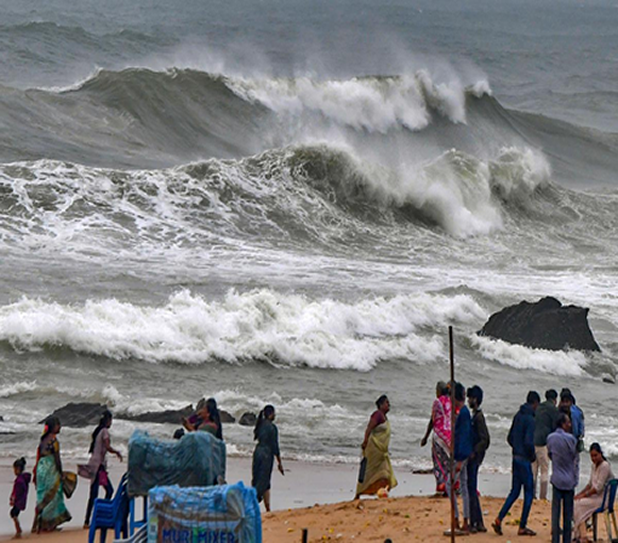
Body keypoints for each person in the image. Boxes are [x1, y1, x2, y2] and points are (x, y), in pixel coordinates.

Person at [492, 391, 540, 537]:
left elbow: (510, 437)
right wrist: (532, 456)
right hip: (525, 460)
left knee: (514, 491)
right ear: (535, 404)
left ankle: (499, 518)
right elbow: (528, 441)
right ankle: (522, 526)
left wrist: (515, 449)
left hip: (515, 458)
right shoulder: (530, 420)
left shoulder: (518, 416)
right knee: (529, 493)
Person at [79, 410, 123, 528]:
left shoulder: (98, 431)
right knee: (107, 490)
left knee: (95, 493)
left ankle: (89, 520)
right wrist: (117, 452)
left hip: (96, 465)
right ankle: (96, 518)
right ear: (108, 420)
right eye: (111, 420)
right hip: (98, 467)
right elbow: (107, 446)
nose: (111, 422)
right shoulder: (104, 432)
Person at [32, 416, 71, 533]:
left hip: (41, 468)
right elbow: (57, 459)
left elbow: (39, 456)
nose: (60, 427)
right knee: (54, 495)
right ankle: (49, 524)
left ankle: (39, 523)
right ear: (53, 427)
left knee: (42, 495)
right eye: (58, 425)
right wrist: (61, 473)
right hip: (50, 468)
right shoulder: (54, 441)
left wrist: (35, 472)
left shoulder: (43, 439)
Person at [355, 395, 398, 499]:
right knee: (368, 472)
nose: (389, 405)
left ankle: (382, 492)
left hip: (382, 452)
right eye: (387, 403)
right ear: (381, 405)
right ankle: (358, 494)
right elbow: (369, 429)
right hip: (374, 449)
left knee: (385, 472)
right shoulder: (377, 415)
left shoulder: (384, 417)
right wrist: (365, 441)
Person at [445, 383, 472, 534]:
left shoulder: (463, 414)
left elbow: (464, 438)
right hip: (463, 455)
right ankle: (464, 521)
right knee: (463, 486)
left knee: (450, 486)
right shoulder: (463, 413)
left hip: (461, 456)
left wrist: (460, 460)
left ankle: (456, 519)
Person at [573, 443, 614, 543]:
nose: (594, 458)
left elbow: (598, 488)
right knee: (576, 502)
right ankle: (582, 535)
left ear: (600, 454)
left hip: (603, 499)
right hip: (595, 497)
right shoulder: (593, 466)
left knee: (578, 505)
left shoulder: (605, 466)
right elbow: (590, 484)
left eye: (596, 455)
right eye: (592, 456)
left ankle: (582, 536)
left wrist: (584, 495)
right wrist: (579, 494)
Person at [547, 413, 578, 543]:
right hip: (569, 480)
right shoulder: (571, 439)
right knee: (567, 515)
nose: (570, 425)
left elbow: (550, 455)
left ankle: (555, 539)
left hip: (557, 478)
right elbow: (575, 459)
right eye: (568, 422)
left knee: (556, 513)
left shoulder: (550, 438)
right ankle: (566, 540)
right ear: (563, 424)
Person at [420, 382, 452, 495]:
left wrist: (425, 437)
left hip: (438, 436)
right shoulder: (451, 401)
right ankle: (449, 485)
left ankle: (441, 485)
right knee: (448, 462)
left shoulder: (437, 402)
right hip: (449, 437)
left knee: (438, 462)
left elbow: (432, 421)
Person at [252, 405, 284, 512]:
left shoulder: (260, 424)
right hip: (266, 454)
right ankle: (252, 503)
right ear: (271, 414)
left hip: (257, 452)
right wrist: (280, 463)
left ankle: (267, 508)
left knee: (259, 479)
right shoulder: (272, 428)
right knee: (264, 481)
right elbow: (275, 446)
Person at [467, 385, 490, 533]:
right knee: (471, 489)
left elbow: (486, 439)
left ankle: (476, 522)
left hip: (474, 458)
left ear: (475, 399)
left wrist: (475, 452)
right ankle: (478, 521)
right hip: (475, 457)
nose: (468, 400)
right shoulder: (476, 415)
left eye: (470, 398)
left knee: (471, 489)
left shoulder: (478, 418)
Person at [534, 389, 560, 500]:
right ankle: (543, 496)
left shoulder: (538, 407)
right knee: (544, 470)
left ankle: (532, 494)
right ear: (555, 399)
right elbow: (555, 427)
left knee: (533, 470)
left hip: (532, 441)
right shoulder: (554, 410)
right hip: (544, 442)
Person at [10, 457, 30, 539]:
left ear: (18, 469)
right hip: (20, 500)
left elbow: (18, 491)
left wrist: (14, 498)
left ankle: (18, 531)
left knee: (13, 514)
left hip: (19, 501)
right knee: (14, 514)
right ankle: (18, 530)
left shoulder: (19, 480)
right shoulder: (22, 479)